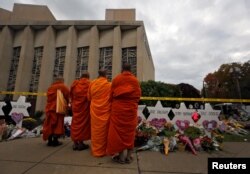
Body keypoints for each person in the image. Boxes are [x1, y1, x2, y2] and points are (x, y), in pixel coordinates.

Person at [106, 63, 141, 164]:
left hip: (118, 111)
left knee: (119, 134)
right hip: (130, 111)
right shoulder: (135, 80)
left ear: (122, 69)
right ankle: (128, 157)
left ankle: (121, 158)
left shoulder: (117, 79)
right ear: (131, 70)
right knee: (130, 133)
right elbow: (138, 96)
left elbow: (111, 95)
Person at [88, 69, 111, 157]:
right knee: (104, 131)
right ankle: (103, 150)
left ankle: (96, 150)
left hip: (94, 111)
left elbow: (89, 97)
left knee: (95, 131)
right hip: (105, 111)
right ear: (106, 75)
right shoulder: (109, 85)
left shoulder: (92, 83)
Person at [43, 76, 70, 146]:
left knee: (49, 124)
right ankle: (55, 141)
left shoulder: (50, 88)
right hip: (58, 108)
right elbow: (68, 95)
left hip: (49, 108)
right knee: (57, 124)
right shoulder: (62, 86)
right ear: (61, 80)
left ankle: (49, 140)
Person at [70, 72, 91, 151]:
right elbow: (90, 96)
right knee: (83, 125)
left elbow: (71, 95)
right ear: (88, 77)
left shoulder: (75, 84)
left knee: (75, 123)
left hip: (76, 107)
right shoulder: (89, 84)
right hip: (84, 108)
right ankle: (81, 143)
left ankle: (75, 143)